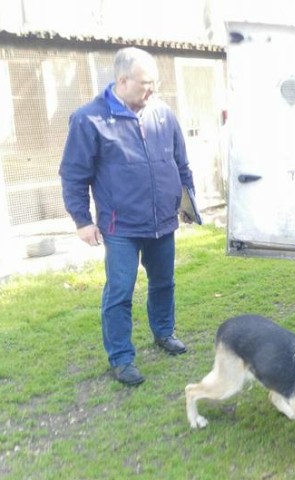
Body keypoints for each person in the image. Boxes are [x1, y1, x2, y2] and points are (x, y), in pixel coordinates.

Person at [59, 47, 193, 386]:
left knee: (164, 283)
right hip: (121, 227)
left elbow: (180, 164)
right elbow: (74, 174)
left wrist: (188, 203)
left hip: (162, 221)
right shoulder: (89, 119)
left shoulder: (162, 115)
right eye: (147, 83)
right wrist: (82, 220)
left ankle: (163, 333)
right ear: (122, 80)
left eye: (155, 83)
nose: (153, 90)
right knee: (120, 291)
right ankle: (121, 357)